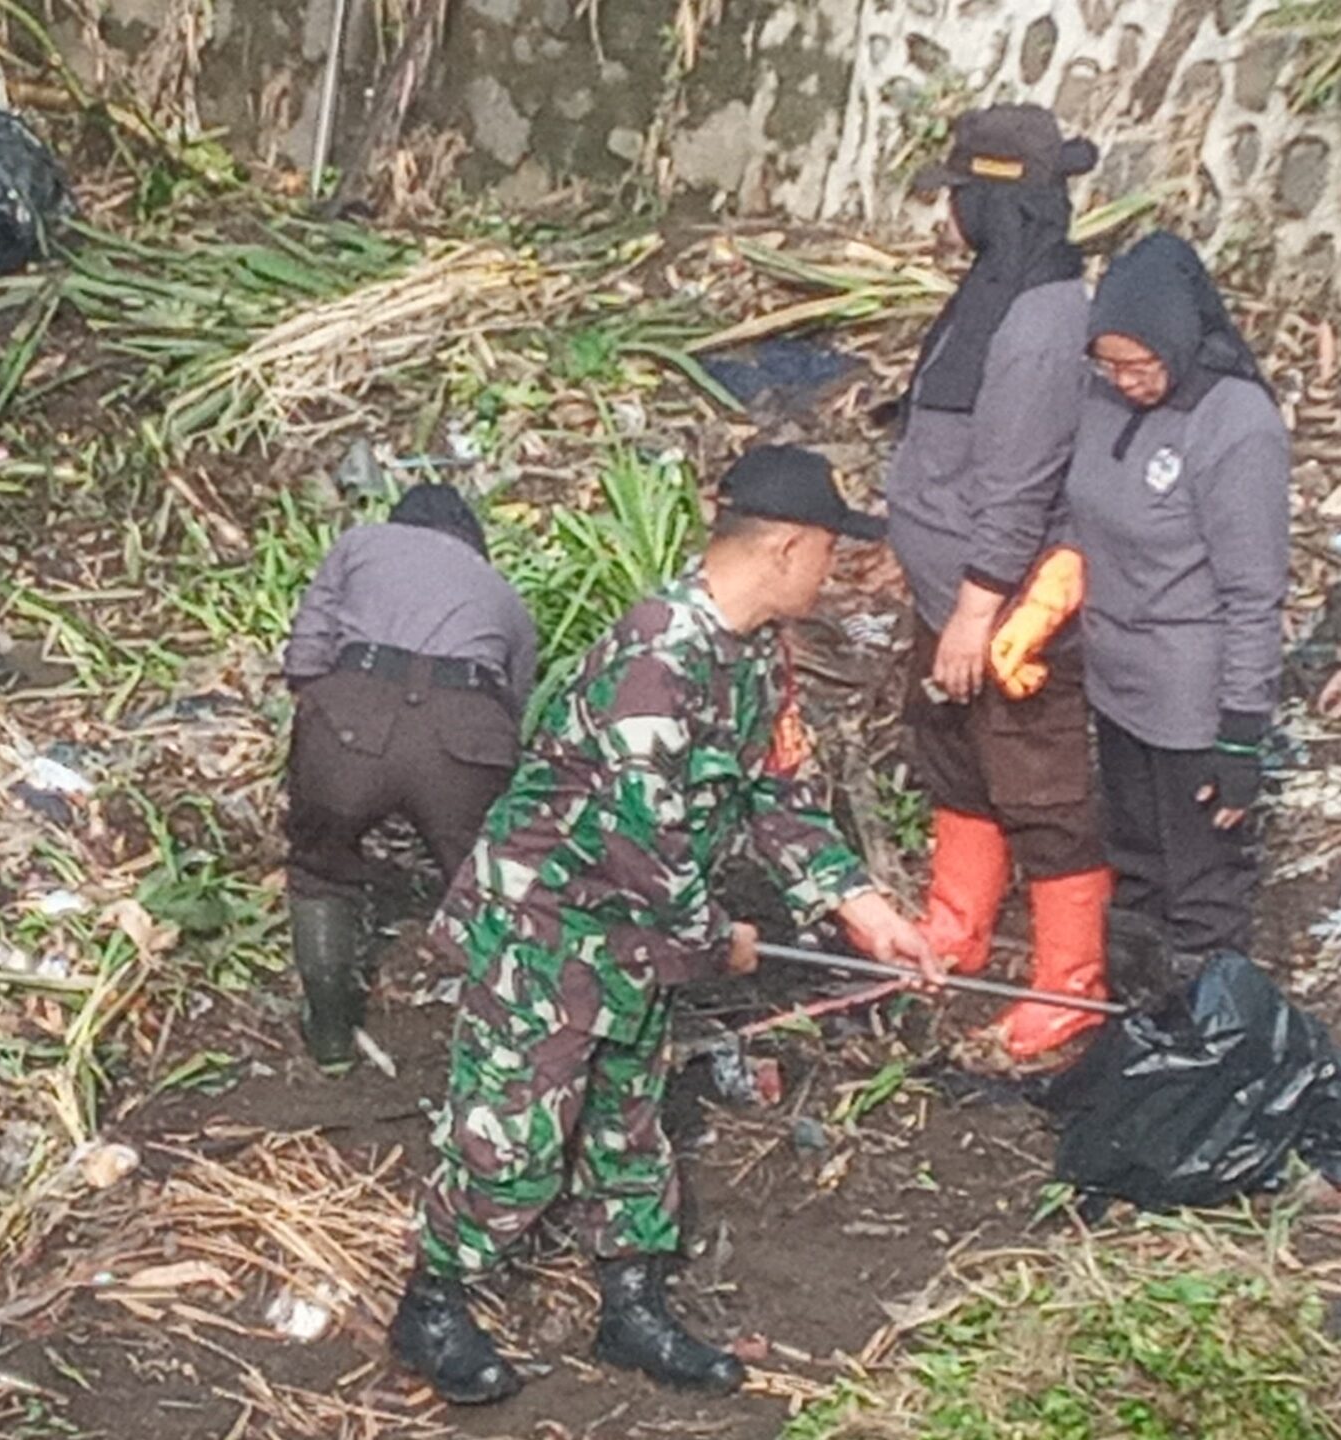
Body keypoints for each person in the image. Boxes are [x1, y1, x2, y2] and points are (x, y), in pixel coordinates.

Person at [388, 447, 944, 1406]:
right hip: (551, 934)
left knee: (627, 1128)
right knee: (514, 1139)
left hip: (635, 947)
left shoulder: (755, 654)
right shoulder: (658, 655)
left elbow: (780, 795)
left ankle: (630, 1306)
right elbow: (642, 838)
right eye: (828, 553)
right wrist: (711, 938)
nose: (835, 573)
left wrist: (864, 909)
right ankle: (434, 1301)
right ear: (786, 547)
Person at [886, 104, 1112, 1059]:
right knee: (956, 759)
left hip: (1008, 612)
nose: (949, 219)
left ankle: (1070, 982)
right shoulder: (992, 291)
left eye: (961, 201)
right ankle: (959, 924)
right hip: (948, 598)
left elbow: (1019, 481)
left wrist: (979, 608)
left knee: (1042, 785)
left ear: (997, 207)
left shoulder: (1041, 321)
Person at [1062, 231, 1289, 964]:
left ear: (1179, 341)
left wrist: (1240, 735)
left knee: (1200, 888)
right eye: (1110, 365)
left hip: (1190, 696)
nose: (1126, 381)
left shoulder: (1235, 424)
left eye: (1142, 365)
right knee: (1136, 868)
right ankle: (1141, 1030)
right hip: (1116, 679)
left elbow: (1253, 592)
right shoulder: (1104, 400)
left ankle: (1208, 1038)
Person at [281, 484, 539, 1071]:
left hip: (353, 717)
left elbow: (307, 647)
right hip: (465, 732)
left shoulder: (362, 542)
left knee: (320, 867)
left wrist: (321, 710)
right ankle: (514, 1044)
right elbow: (511, 707)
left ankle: (331, 1040)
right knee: (487, 888)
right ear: (472, 542)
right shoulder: (508, 598)